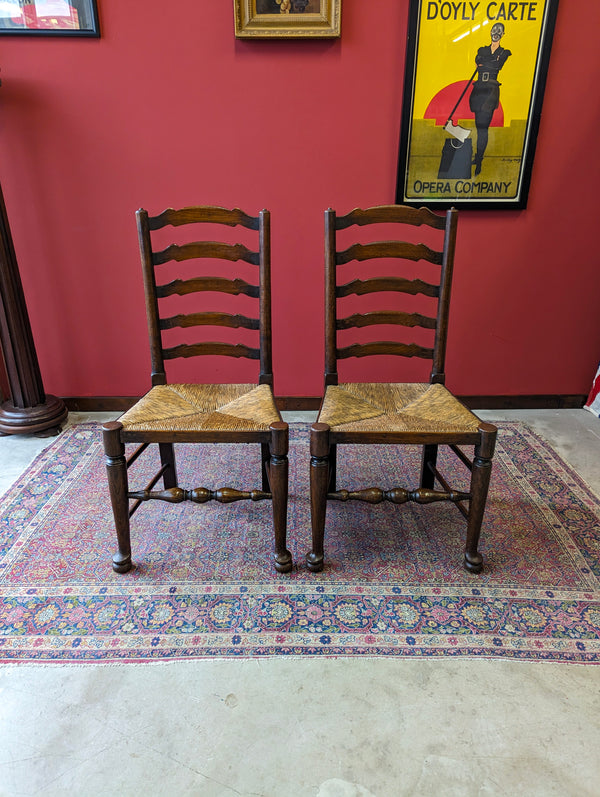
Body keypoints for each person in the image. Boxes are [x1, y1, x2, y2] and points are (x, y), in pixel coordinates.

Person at [469, 22, 511, 175]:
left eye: (499, 30)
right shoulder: (482, 49)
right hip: (479, 90)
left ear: (503, 33)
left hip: (490, 92)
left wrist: (485, 63)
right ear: (490, 31)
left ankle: (479, 161)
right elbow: (479, 62)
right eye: (494, 29)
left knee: (483, 129)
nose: (496, 32)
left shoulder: (505, 52)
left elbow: (497, 65)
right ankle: (477, 157)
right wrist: (488, 63)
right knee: (479, 127)